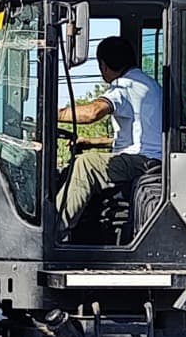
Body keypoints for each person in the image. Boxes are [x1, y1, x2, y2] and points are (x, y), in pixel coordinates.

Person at [55, 36, 163, 234]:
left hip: (143, 162)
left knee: (85, 165)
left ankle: (53, 232)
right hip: (149, 159)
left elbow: (93, 113)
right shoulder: (147, 83)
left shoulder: (125, 85)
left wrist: (53, 114)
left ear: (103, 65)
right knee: (82, 163)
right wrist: (91, 142)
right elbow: (135, 138)